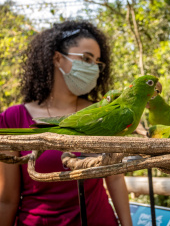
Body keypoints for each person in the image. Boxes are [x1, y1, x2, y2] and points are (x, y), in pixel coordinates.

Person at [0, 21, 132, 226]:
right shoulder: (13, 118)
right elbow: (7, 198)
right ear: (57, 58)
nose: (93, 68)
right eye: (86, 58)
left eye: (97, 62)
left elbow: (114, 178)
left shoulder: (104, 113)